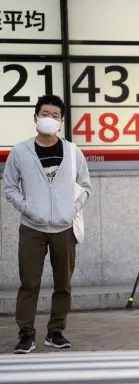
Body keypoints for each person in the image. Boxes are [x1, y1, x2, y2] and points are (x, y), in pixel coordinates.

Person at [3, 95, 92, 354]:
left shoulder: (73, 152)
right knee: (29, 283)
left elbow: (86, 186)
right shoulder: (20, 151)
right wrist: (29, 208)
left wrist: (70, 209)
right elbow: (9, 187)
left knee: (63, 283)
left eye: (55, 115)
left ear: (61, 121)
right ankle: (26, 334)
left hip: (64, 228)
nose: (49, 119)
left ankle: (56, 331)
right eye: (45, 114)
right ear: (35, 118)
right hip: (32, 228)